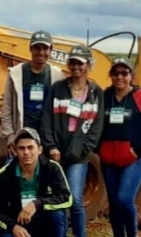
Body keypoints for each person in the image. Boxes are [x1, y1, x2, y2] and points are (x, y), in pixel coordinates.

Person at [40, 44, 104, 237]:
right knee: (56, 198)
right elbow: (47, 119)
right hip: (56, 153)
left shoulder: (96, 92)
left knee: (75, 199)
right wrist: (51, 146)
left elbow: (97, 125)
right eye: (73, 63)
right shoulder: (58, 88)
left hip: (78, 156)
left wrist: (84, 148)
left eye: (80, 63)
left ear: (88, 65)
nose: (76, 67)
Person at [98, 57, 141, 237]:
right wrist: (99, 148)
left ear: (131, 76)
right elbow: (96, 124)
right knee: (114, 203)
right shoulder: (104, 96)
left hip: (134, 158)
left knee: (124, 199)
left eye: (124, 73)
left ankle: (132, 234)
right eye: (115, 73)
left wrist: (137, 150)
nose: (120, 77)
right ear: (110, 75)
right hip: (109, 158)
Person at [0, 127, 72, 237]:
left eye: (30, 147)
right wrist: (13, 226)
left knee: (57, 215)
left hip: (44, 221)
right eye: (21, 148)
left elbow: (66, 198)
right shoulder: (5, 174)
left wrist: (37, 204)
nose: (26, 152)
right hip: (18, 223)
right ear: (15, 150)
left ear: (40, 150)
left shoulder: (52, 168)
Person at [0, 30, 63, 156]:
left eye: (45, 48)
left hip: (47, 139)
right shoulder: (16, 73)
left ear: (51, 50)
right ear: (30, 49)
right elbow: (7, 107)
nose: (41, 52)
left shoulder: (57, 75)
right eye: (37, 48)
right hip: (22, 136)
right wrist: (10, 136)